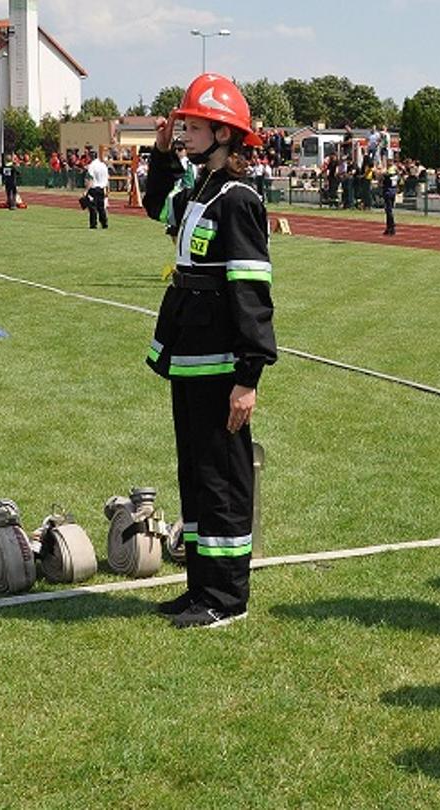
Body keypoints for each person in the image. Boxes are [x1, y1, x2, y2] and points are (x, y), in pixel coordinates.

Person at [140, 74, 278, 629]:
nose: (185, 133)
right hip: (190, 358)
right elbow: (155, 206)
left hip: (223, 364)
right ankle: (200, 587)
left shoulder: (238, 200)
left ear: (224, 132)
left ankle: (226, 599)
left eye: (194, 126)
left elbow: (251, 290)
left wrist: (249, 377)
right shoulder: (200, 190)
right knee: (196, 474)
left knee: (222, 478)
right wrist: (161, 152)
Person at [84, 150, 110, 230]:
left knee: (93, 208)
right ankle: (104, 223)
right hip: (102, 188)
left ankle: (93, 224)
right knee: (101, 207)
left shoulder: (91, 166)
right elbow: (107, 178)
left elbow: (90, 179)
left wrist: (86, 190)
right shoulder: (103, 165)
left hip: (94, 188)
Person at [380, 161, 397, 236]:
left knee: (389, 210)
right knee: (388, 210)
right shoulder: (395, 172)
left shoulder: (389, 173)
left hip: (388, 192)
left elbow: (384, 178)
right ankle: (388, 227)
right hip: (392, 191)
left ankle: (392, 227)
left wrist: (382, 174)